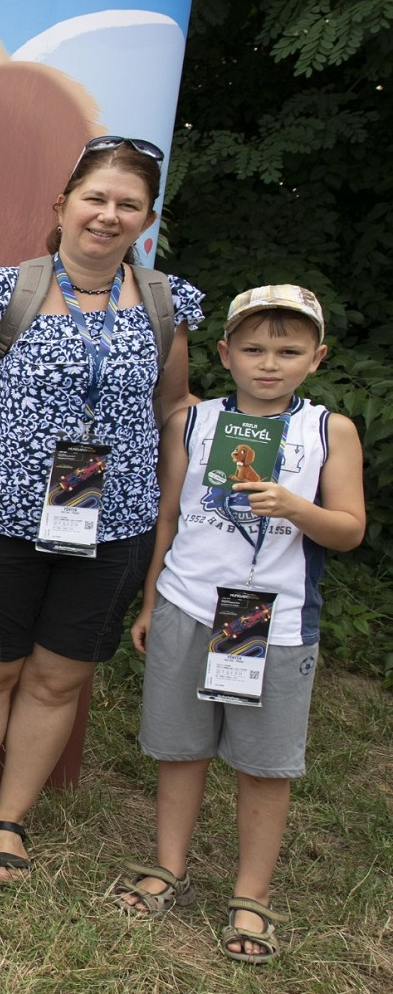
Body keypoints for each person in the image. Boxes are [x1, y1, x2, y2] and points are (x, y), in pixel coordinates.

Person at [0, 136, 203, 883]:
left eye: (127, 205)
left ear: (145, 219)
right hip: (2, 518)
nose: (108, 216)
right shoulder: (1, 292)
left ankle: (10, 819)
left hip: (115, 525)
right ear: (63, 205)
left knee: (58, 678)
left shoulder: (165, 303)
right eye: (96, 198)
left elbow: (173, 410)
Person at [112, 285, 363, 964]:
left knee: (263, 765)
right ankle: (168, 865)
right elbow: (167, 516)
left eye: (288, 350)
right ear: (225, 353)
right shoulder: (193, 423)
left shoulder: (328, 430)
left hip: (272, 621)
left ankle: (251, 896)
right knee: (180, 748)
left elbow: (348, 529)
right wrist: (150, 601)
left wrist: (295, 508)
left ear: (317, 357)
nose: (269, 363)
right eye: (253, 348)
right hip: (190, 604)